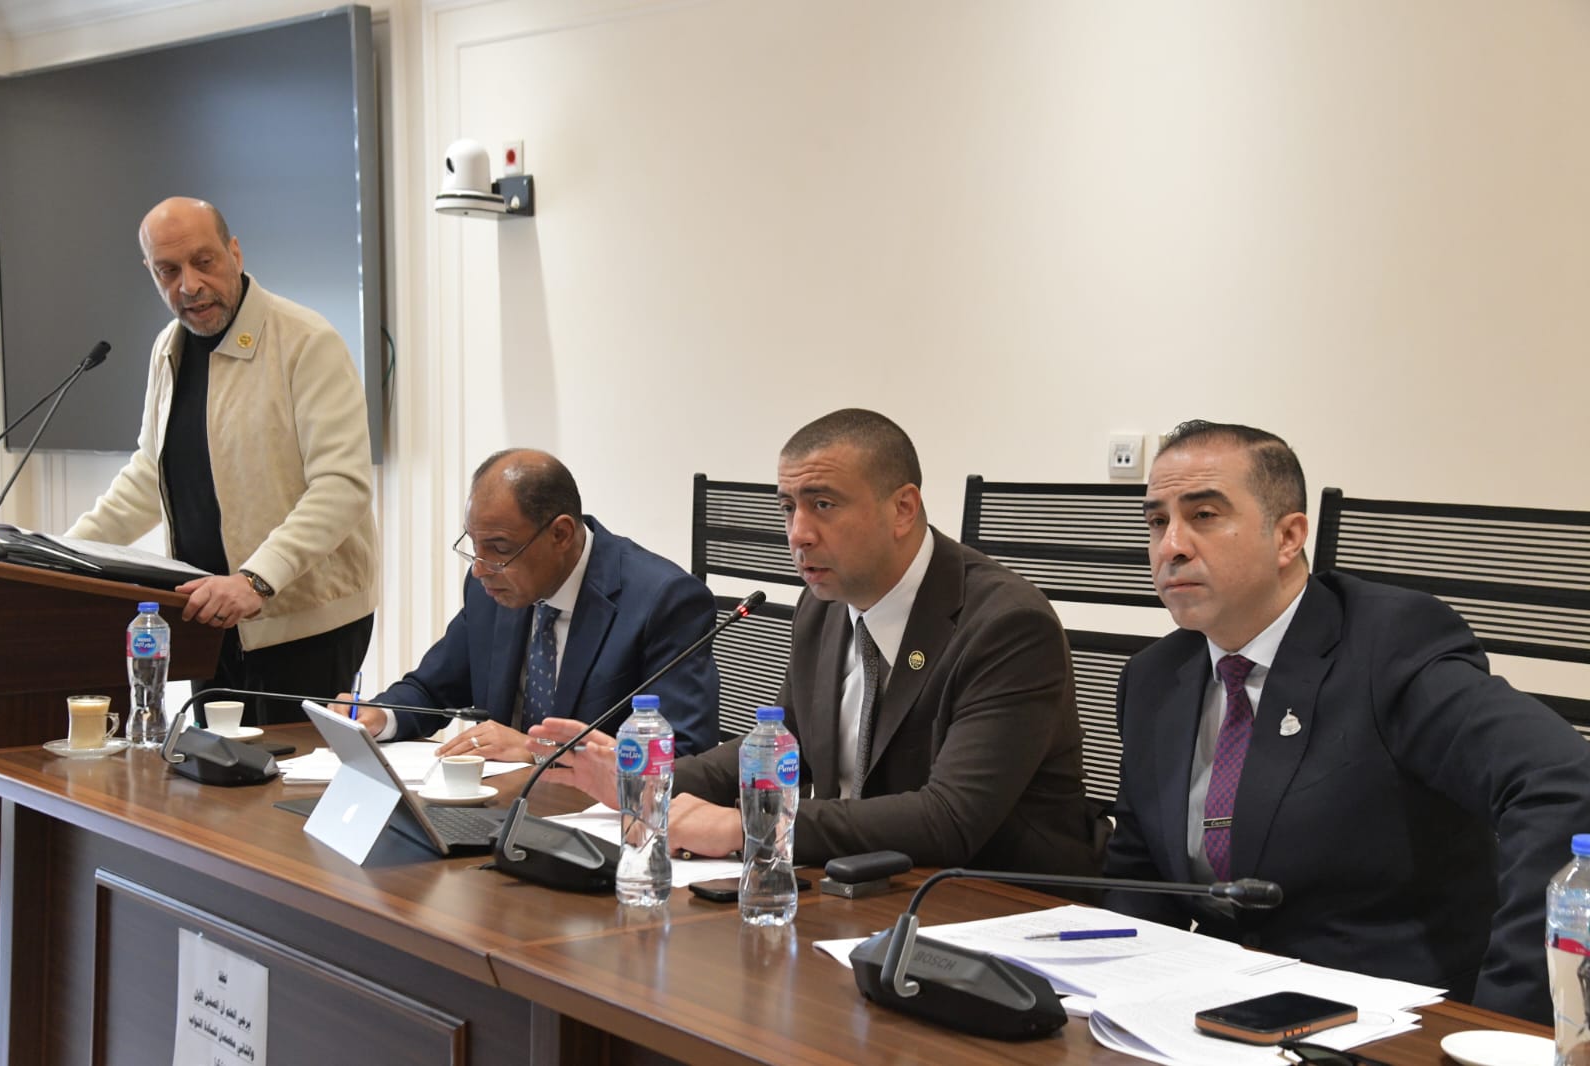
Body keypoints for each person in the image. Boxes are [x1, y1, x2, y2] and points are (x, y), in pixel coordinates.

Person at [1104, 419, 1590, 1024]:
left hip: (1392, 1019)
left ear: (1288, 536)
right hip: (1216, 1012)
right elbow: (1139, 876)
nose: (1171, 546)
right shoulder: (1155, 677)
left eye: (1204, 515)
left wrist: (1507, 1021)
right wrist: (1110, 1001)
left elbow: (1563, 783)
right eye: (1157, 522)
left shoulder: (1392, 648)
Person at [533, 409, 1101, 874]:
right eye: (788, 507)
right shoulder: (822, 607)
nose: (798, 534)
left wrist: (750, 826)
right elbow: (787, 743)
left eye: (823, 504)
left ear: (903, 509)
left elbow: (949, 818)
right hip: (856, 887)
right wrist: (647, 780)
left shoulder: (1006, 625)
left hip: (995, 906)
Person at [69, 197, 378, 725]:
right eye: (168, 271)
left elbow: (341, 487)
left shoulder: (306, 342)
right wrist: (61, 554)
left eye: (203, 261)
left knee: (288, 775)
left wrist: (255, 580)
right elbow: (151, 473)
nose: (189, 285)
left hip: (303, 625)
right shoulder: (169, 347)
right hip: (208, 620)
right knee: (214, 772)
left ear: (234, 253)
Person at [332, 448, 719, 760]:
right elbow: (433, 689)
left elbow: (682, 751)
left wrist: (540, 751)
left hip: (597, 818)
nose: (480, 569)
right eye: (474, 545)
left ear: (561, 534)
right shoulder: (490, 589)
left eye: (499, 548)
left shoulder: (662, 601)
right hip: (500, 806)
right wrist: (380, 715)